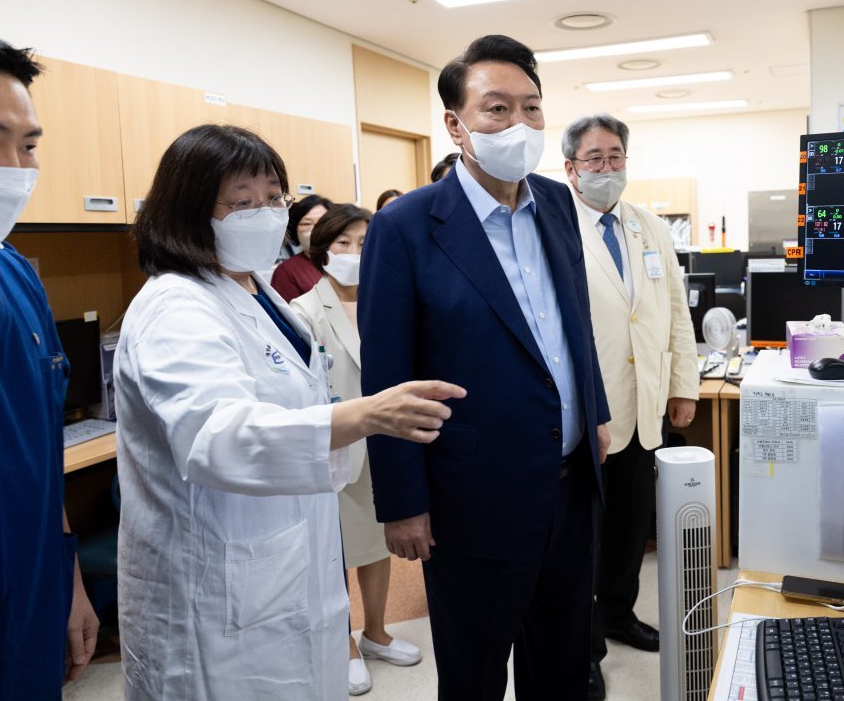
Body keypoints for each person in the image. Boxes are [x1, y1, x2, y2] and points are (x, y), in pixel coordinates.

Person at [114, 123, 464, 700]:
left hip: (287, 564)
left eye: (274, 197)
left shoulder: (260, 294)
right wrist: (366, 416)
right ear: (188, 211)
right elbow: (217, 435)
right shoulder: (175, 306)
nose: (267, 212)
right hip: (214, 591)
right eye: (242, 202)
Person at [357, 34, 611, 701]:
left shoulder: (557, 203)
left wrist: (597, 413)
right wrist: (402, 503)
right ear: (456, 124)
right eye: (497, 109)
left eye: (531, 108)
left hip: (569, 488)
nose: (519, 125)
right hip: (470, 499)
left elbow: (573, 323)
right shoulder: (407, 228)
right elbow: (387, 377)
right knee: (473, 676)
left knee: (561, 668)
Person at [0, 25, 99, 699]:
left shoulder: (16, 277)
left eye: (30, 145)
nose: (14, 168)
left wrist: (68, 581)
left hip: (34, 611)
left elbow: (39, 455)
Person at [561, 113, 699, 699]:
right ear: (570, 168)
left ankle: (619, 613)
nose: (606, 167)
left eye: (615, 156)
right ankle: (584, 645)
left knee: (629, 527)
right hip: (589, 412)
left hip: (646, 407)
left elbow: (673, 309)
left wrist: (683, 384)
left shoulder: (648, 226)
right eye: (594, 158)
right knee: (583, 537)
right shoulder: (556, 226)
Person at [289, 203, 422, 695]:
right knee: (335, 550)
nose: (353, 253)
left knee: (376, 541)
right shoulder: (302, 309)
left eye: (365, 244)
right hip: (336, 446)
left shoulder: (390, 300)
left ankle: (377, 633)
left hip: (386, 443)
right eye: (342, 243)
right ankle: (342, 643)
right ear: (321, 250)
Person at [271, 193, 333, 300]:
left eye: (323, 222)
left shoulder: (347, 262)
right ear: (295, 229)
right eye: (307, 224)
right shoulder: (286, 272)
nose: (316, 229)